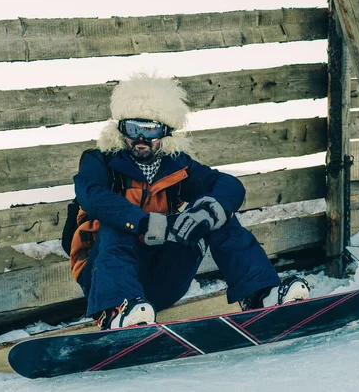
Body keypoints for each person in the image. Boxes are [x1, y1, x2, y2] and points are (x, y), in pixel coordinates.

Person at [69, 73, 310, 330]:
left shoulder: (178, 166)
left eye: (149, 130)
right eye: (133, 129)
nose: (140, 139)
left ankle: (261, 294)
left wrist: (206, 213)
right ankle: (117, 310)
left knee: (218, 215)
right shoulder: (100, 161)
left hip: (162, 277)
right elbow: (92, 195)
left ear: (164, 132)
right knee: (115, 223)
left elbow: (228, 186)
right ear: (120, 129)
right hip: (102, 276)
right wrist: (144, 223)